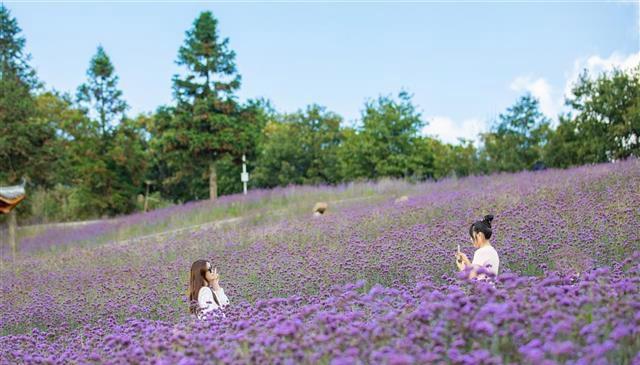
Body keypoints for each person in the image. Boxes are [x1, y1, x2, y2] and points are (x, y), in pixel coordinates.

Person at [455, 214, 500, 280]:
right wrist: (466, 260)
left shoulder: (481, 252)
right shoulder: (492, 251)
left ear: (479, 235)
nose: (471, 239)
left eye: (472, 236)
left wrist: (462, 268)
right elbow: (477, 272)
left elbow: (473, 278)